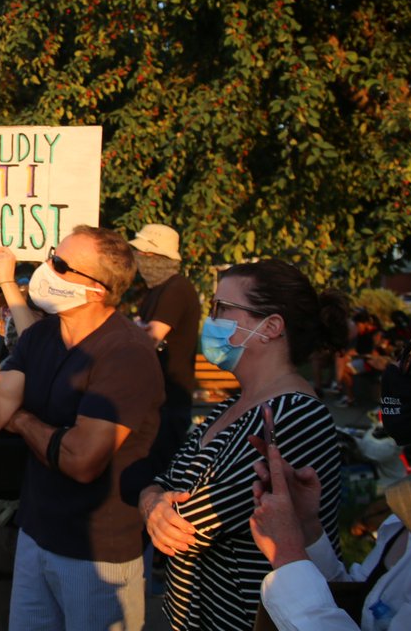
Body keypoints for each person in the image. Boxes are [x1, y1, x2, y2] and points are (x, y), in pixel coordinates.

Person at [0, 226, 165, 631]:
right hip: (35, 535)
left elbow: (81, 459)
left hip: (96, 556)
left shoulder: (125, 353)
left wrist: (19, 419)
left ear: (96, 289)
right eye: (52, 255)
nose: (45, 267)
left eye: (59, 264)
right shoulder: (40, 337)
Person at [140, 259, 346, 631]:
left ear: (270, 327)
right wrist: (151, 500)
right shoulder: (234, 404)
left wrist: (154, 504)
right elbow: (164, 480)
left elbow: (190, 525)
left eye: (221, 308)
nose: (211, 319)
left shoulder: (293, 415)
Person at [250, 325, 411, 630]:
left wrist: (288, 558)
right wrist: (306, 527)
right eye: (402, 353)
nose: (398, 369)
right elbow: (362, 600)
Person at [130, 223, 201, 474]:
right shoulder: (157, 290)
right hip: (158, 397)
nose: (139, 259)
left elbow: (152, 337)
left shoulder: (176, 288)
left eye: (144, 254)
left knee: (159, 470)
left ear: (158, 257)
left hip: (170, 399)